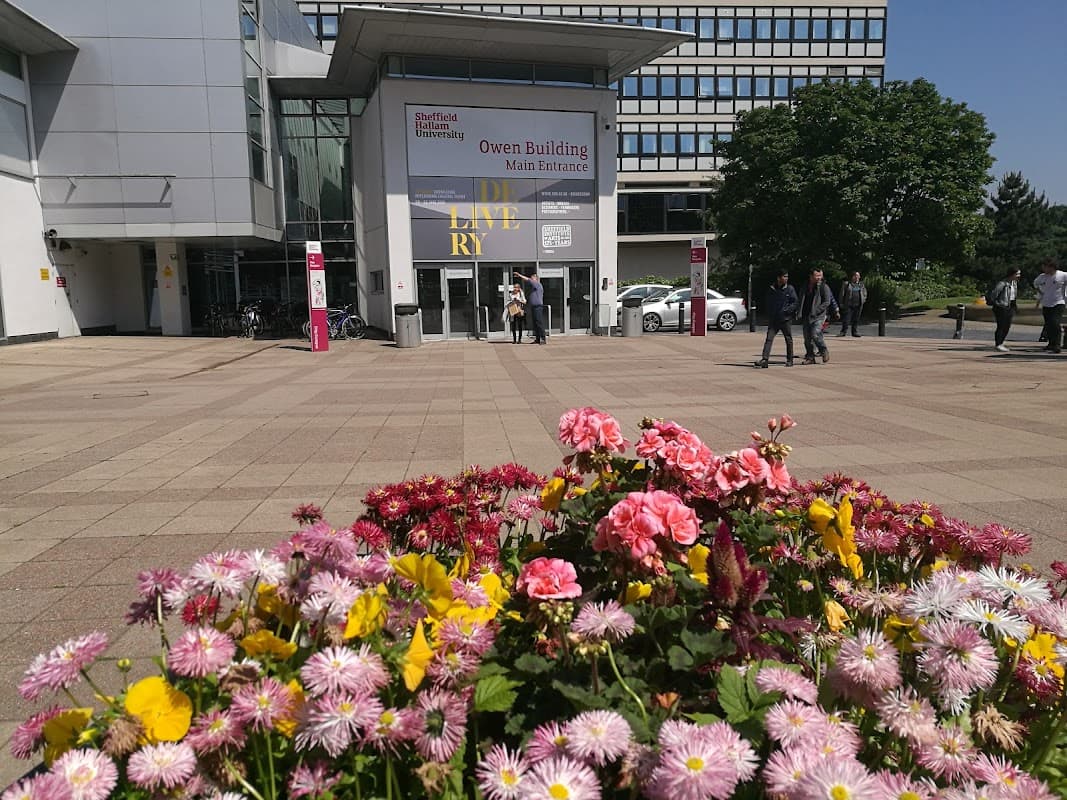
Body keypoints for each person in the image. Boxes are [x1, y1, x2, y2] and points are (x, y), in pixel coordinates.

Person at [755, 270, 798, 368]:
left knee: (788, 339)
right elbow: (768, 302)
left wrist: (787, 310)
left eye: (787, 276)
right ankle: (765, 360)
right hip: (774, 319)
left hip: (785, 319)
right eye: (784, 276)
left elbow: (795, 302)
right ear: (778, 278)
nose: (786, 278)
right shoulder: (772, 289)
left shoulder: (790, 289)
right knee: (769, 339)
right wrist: (770, 313)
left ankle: (790, 359)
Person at [795, 268, 838, 364]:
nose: (819, 278)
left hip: (819, 316)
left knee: (815, 334)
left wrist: (816, 311)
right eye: (817, 275)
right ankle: (810, 357)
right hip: (806, 315)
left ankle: (823, 350)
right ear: (811, 276)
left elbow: (827, 302)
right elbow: (801, 299)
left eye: (820, 275)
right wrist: (798, 312)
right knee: (807, 339)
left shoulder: (824, 287)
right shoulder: (805, 286)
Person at [1034, 257, 1067, 354]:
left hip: (1058, 302)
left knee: (1055, 323)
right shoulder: (1042, 277)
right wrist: (1040, 292)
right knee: (1048, 324)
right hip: (1046, 303)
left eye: (1045, 266)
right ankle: (1051, 344)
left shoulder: (1062, 275)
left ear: (1051, 267)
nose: (1043, 268)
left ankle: (1057, 345)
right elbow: (1035, 284)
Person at [988, 267, 1021, 352]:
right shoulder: (1002, 284)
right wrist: (997, 303)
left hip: (1010, 307)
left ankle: (1001, 342)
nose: (1018, 276)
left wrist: (1015, 307)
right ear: (1011, 274)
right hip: (1001, 307)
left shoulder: (1014, 284)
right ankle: (998, 343)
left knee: (1007, 326)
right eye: (1017, 274)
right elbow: (994, 295)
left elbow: (1013, 296)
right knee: (1001, 326)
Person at [514, 271, 546, 344]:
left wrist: (519, 275)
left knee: (539, 323)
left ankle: (543, 339)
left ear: (536, 279)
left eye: (532, 278)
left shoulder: (537, 284)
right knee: (535, 323)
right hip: (534, 307)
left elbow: (528, 280)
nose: (531, 280)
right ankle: (537, 339)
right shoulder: (534, 288)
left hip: (538, 307)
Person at [837, 271, 868, 337]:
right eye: (855, 276)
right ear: (852, 277)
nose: (856, 277)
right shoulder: (847, 284)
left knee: (856, 319)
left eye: (858, 276)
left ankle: (854, 332)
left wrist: (863, 299)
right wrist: (841, 303)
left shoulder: (861, 285)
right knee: (846, 319)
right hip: (849, 305)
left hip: (858, 305)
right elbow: (842, 294)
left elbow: (865, 293)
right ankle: (843, 332)